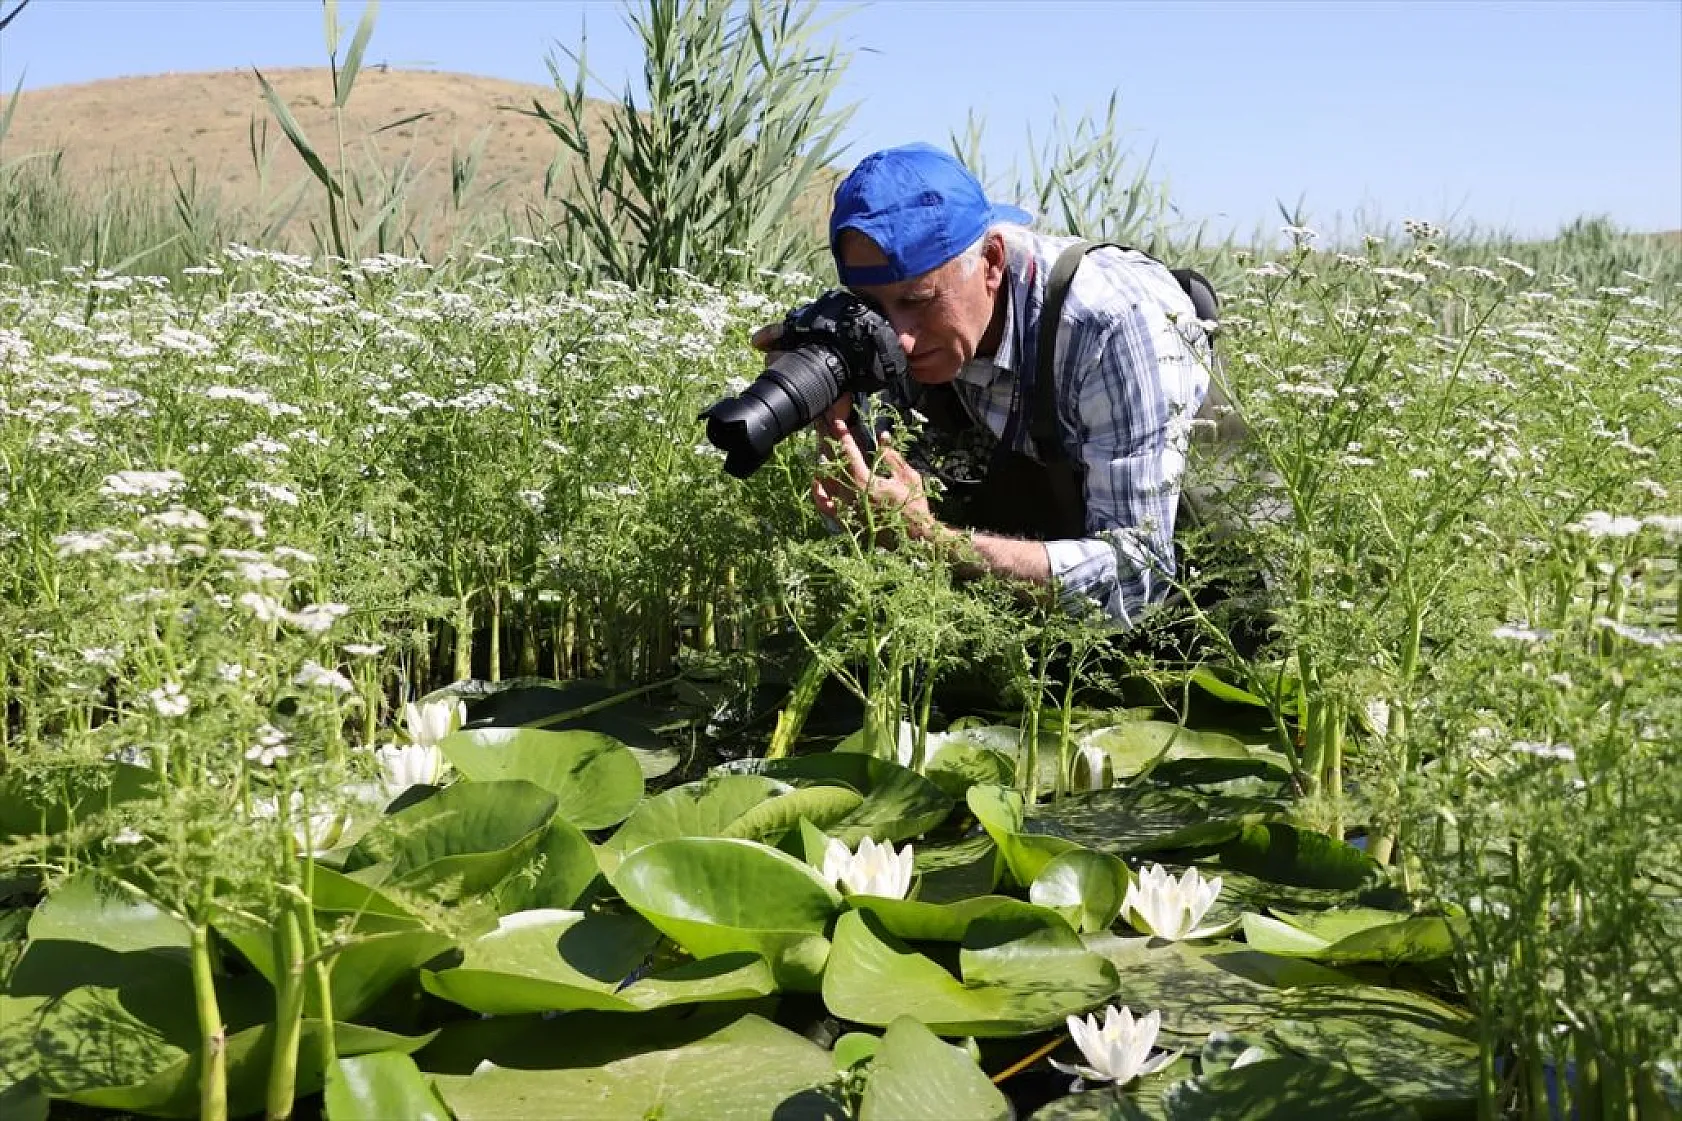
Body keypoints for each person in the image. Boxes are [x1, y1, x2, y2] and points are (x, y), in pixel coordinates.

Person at [754, 142, 1215, 629]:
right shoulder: (903, 330)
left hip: (1206, 615)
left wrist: (929, 541)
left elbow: (1136, 578)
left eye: (919, 299)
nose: (901, 341)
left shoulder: (1109, 324)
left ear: (992, 262)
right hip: (1042, 621)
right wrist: (840, 423)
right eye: (874, 307)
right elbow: (874, 528)